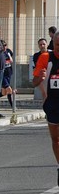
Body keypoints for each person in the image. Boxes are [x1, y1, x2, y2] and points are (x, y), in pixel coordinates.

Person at [32, 30, 59, 185]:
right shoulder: (45, 57)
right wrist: (40, 78)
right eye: (57, 45)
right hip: (53, 103)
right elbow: (34, 82)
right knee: (55, 140)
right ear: (53, 44)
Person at [1, 41, 14, 107]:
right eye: (3, 46)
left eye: (5, 45)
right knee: (9, 89)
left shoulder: (8, 51)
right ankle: (12, 106)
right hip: (2, 74)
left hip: (8, 72)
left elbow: (11, 60)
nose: (4, 47)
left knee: (4, 92)